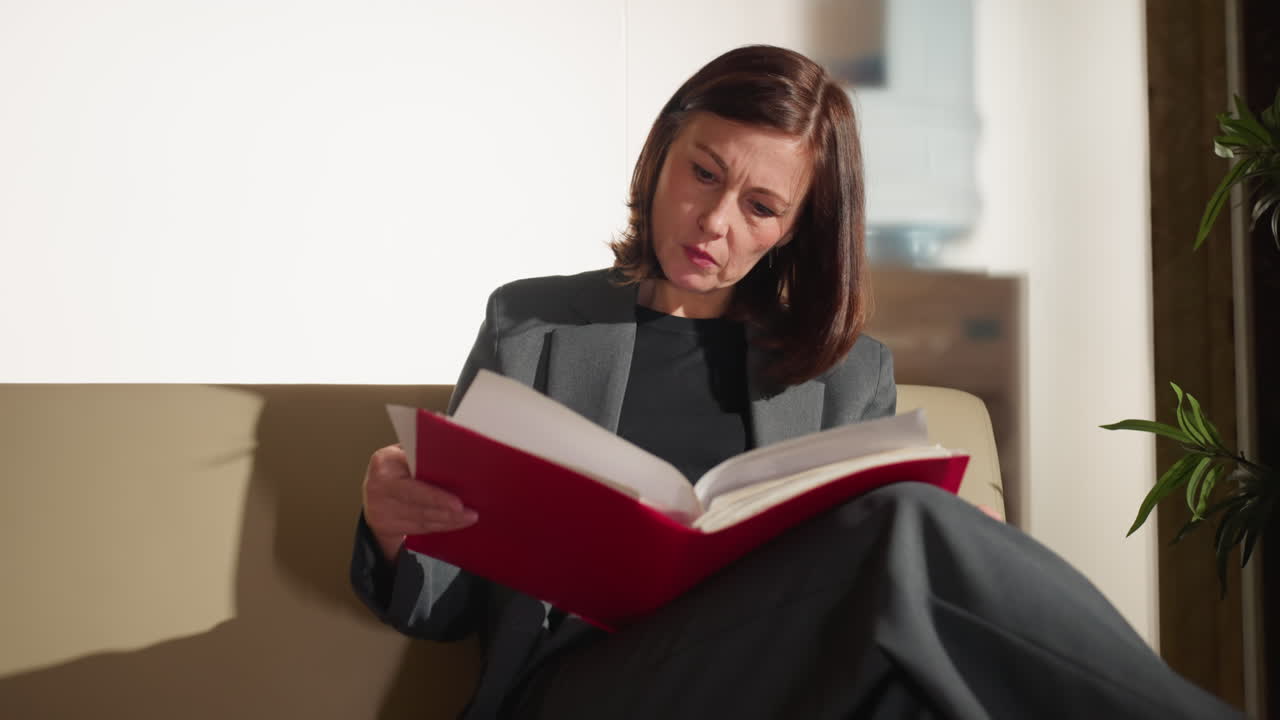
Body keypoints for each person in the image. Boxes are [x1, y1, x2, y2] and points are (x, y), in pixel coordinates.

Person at [350, 45, 1241, 719]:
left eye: (761, 207)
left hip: (783, 688)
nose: (713, 221)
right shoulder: (533, 326)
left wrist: (973, 552)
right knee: (909, 528)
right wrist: (399, 533)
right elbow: (446, 607)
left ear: (795, 232)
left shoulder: (851, 375)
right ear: (662, 152)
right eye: (703, 172)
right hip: (585, 687)